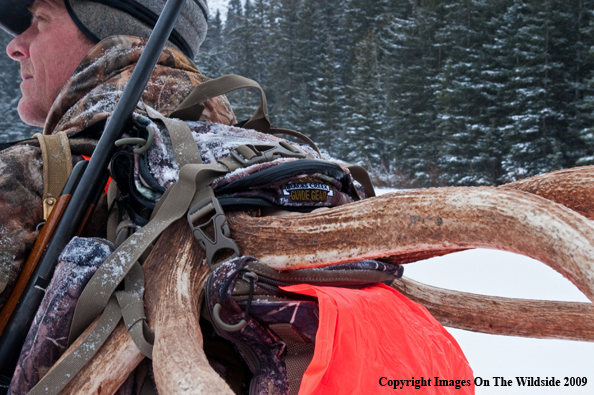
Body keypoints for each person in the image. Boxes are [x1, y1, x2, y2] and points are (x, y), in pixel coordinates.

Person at [0, 0, 235, 310]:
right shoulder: (252, 159)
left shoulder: (21, 176)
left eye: (41, 21)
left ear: (106, 29)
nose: (14, 47)